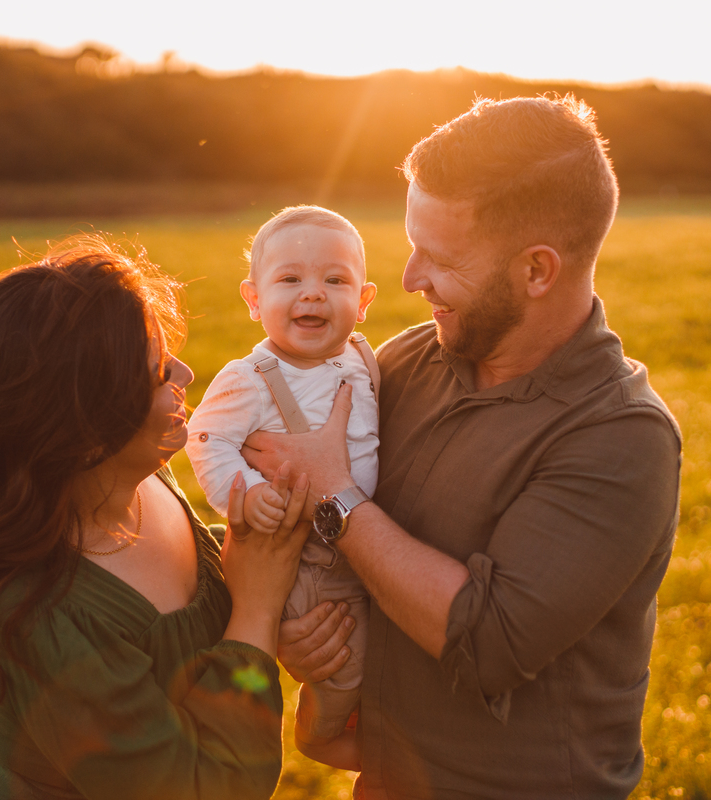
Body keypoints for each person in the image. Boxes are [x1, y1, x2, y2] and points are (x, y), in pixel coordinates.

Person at [247, 96, 683, 798]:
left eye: (442, 258)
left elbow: (488, 642)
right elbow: (319, 541)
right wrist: (296, 625)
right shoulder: (405, 360)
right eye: (413, 244)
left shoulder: (622, 435)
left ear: (537, 271)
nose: (411, 277)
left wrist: (337, 497)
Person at [0, 237, 311, 800]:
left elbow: (198, 610)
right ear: (84, 430)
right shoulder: (42, 612)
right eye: (158, 371)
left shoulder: (138, 480)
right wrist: (258, 613)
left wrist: (278, 592)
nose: (186, 372)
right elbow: (208, 787)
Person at [186, 205, 378, 766]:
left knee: (384, 658)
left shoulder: (363, 359)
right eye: (290, 279)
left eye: (335, 280)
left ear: (363, 300)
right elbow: (207, 439)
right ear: (254, 299)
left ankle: (381, 730)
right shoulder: (250, 377)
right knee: (342, 659)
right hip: (307, 558)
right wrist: (248, 492)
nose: (313, 293)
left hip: (366, 544)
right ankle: (322, 732)